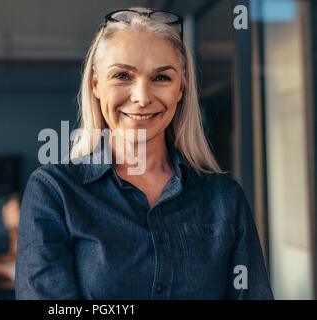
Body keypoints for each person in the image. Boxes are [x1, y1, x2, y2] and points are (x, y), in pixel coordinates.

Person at [16, 7, 274, 299]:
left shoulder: (224, 199)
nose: (142, 97)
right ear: (95, 83)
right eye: (123, 75)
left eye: (162, 78)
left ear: (181, 87)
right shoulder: (55, 192)